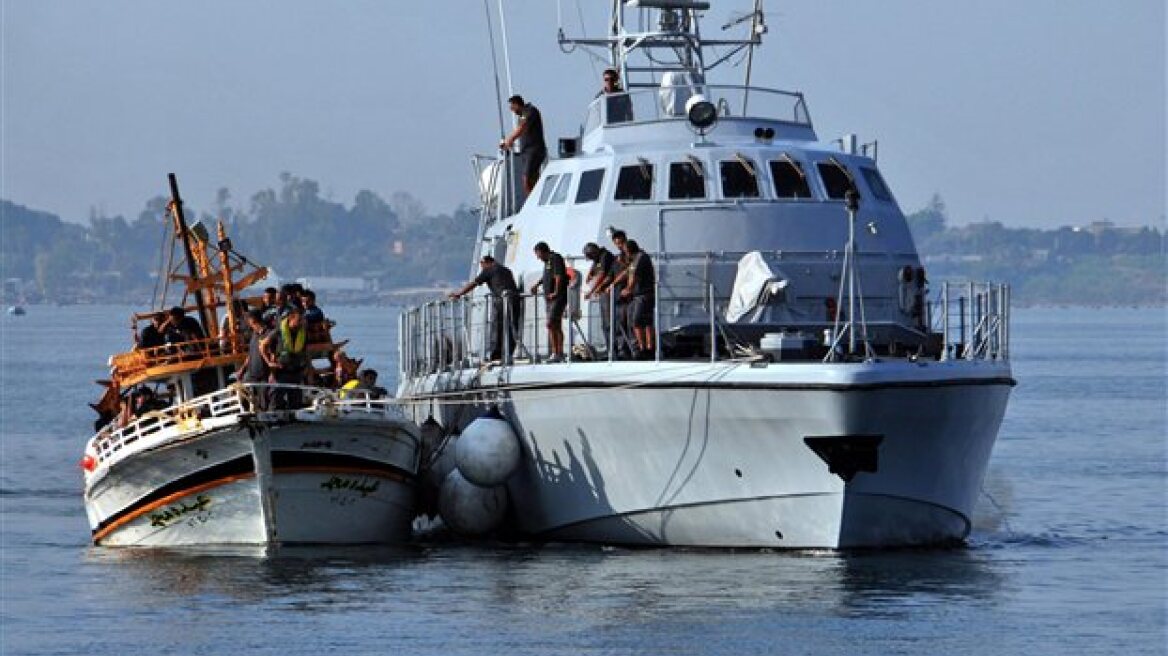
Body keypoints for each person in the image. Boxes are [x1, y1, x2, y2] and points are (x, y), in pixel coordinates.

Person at [450, 255, 522, 361]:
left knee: (498, 327)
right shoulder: (506, 270)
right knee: (512, 327)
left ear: (486, 263)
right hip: (515, 300)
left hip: (501, 301)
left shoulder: (489, 270)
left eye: (482, 265)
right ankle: (509, 353)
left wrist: (459, 294)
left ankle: (497, 355)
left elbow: (474, 284)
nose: (482, 268)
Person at [262, 305, 309, 410]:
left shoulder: (303, 333)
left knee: (296, 403)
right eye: (299, 319)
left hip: (296, 372)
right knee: (275, 401)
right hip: (280, 372)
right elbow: (262, 345)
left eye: (302, 319)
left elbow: (305, 352)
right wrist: (269, 362)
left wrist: (307, 367)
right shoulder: (279, 331)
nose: (301, 322)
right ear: (291, 317)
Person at [500, 95, 547, 195]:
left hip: (534, 151)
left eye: (512, 107)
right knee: (533, 179)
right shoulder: (522, 116)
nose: (511, 110)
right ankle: (537, 199)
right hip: (526, 153)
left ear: (517, 104)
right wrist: (509, 143)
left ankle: (532, 202)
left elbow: (522, 128)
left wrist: (510, 140)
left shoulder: (530, 111)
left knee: (527, 180)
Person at [529, 242, 568, 362]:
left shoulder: (555, 258)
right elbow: (547, 276)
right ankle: (556, 352)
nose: (538, 257)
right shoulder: (547, 263)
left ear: (542, 251)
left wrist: (556, 291)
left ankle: (558, 352)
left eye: (538, 254)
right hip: (549, 298)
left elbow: (558, 276)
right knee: (554, 325)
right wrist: (537, 284)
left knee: (551, 323)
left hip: (557, 297)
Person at [621, 240, 656, 358]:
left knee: (638, 321)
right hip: (638, 295)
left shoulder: (640, 257)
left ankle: (645, 349)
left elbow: (635, 275)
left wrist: (628, 289)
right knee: (642, 322)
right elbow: (628, 273)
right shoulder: (635, 259)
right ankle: (645, 348)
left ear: (628, 250)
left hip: (644, 294)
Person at [582, 242, 618, 351]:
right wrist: (590, 274)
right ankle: (610, 348)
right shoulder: (598, 258)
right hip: (602, 292)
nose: (591, 259)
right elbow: (595, 267)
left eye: (591, 256)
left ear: (594, 252)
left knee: (609, 322)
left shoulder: (605, 256)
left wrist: (592, 291)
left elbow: (603, 274)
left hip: (609, 291)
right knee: (605, 323)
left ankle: (615, 349)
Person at [238, 310, 271, 410]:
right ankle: (245, 411)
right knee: (241, 390)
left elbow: (273, 354)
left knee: (264, 400)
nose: (248, 324)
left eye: (248, 321)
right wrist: (242, 369)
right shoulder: (254, 334)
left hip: (264, 374)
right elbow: (250, 355)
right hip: (251, 373)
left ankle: (265, 417)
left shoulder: (268, 334)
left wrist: (272, 374)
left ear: (253, 320)